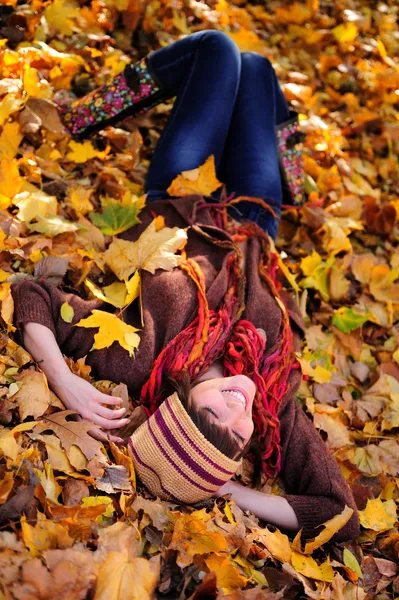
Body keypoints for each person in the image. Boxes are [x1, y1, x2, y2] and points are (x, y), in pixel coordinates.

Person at [11, 30, 360, 543]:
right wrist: (231, 493)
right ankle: (289, 165)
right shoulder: (270, 400)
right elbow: (340, 515)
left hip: (184, 197)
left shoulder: (138, 359)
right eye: (239, 434)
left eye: (215, 410)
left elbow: (31, 295)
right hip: (254, 223)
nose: (239, 403)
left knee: (217, 50)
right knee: (259, 67)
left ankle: (85, 114)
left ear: (178, 404)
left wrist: (63, 379)